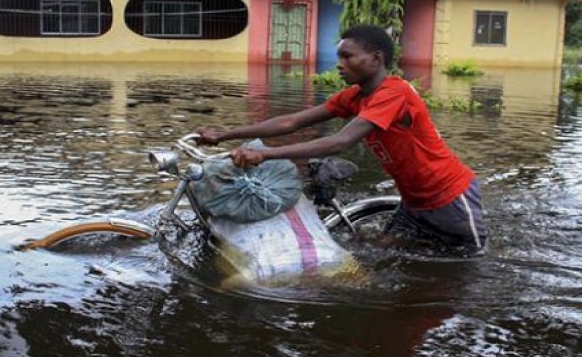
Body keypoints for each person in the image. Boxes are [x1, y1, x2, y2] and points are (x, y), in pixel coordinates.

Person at [196, 25, 487, 255]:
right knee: (379, 251)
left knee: (472, 266)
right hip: (413, 202)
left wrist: (265, 155)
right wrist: (225, 135)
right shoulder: (355, 95)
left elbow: (340, 141)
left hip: (450, 197)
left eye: (347, 57)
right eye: (339, 57)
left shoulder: (394, 93)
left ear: (376, 59)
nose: (340, 64)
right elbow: (292, 121)